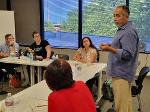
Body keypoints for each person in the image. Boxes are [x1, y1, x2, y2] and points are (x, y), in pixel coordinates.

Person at [100, 5, 139, 112]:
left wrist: (109, 49)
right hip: (121, 73)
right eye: (114, 16)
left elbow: (127, 54)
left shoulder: (128, 32)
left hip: (122, 75)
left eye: (118, 15)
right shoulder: (123, 30)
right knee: (125, 105)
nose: (115, 18)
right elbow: (121, 47)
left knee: (121, 107)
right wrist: (110, 45)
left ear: (126, 17)